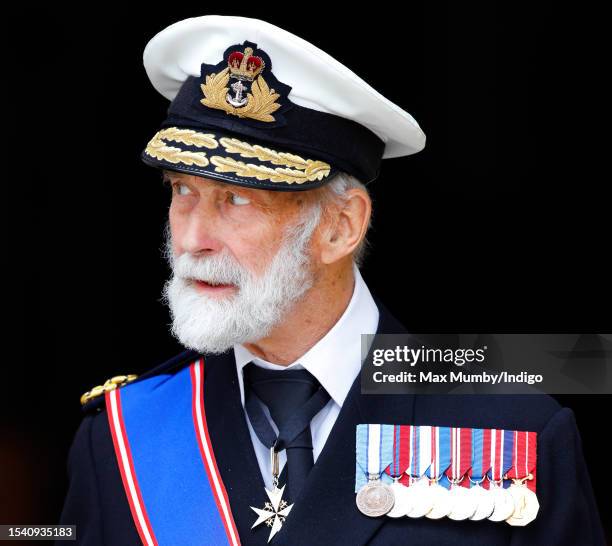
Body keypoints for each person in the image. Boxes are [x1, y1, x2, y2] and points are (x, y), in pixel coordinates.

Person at [58, 15, 605, 546]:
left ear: (341, 227)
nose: (193, 237)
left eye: (238, 198)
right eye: (182, 191)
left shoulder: (512, 428)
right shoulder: (123, 437)